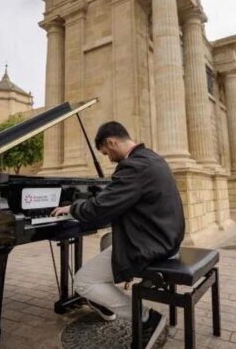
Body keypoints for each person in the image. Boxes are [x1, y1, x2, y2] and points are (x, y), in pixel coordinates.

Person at [51, 121, 185, 349]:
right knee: (108, 244)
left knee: (84, 281)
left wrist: (72, 208)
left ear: (111, 142)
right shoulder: (151, 158)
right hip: (166, 239)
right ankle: (106, 306)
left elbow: (99, 208)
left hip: (151, 245)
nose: (108, 158)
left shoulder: (133, 167)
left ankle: (146, 319)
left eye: (106, 152)